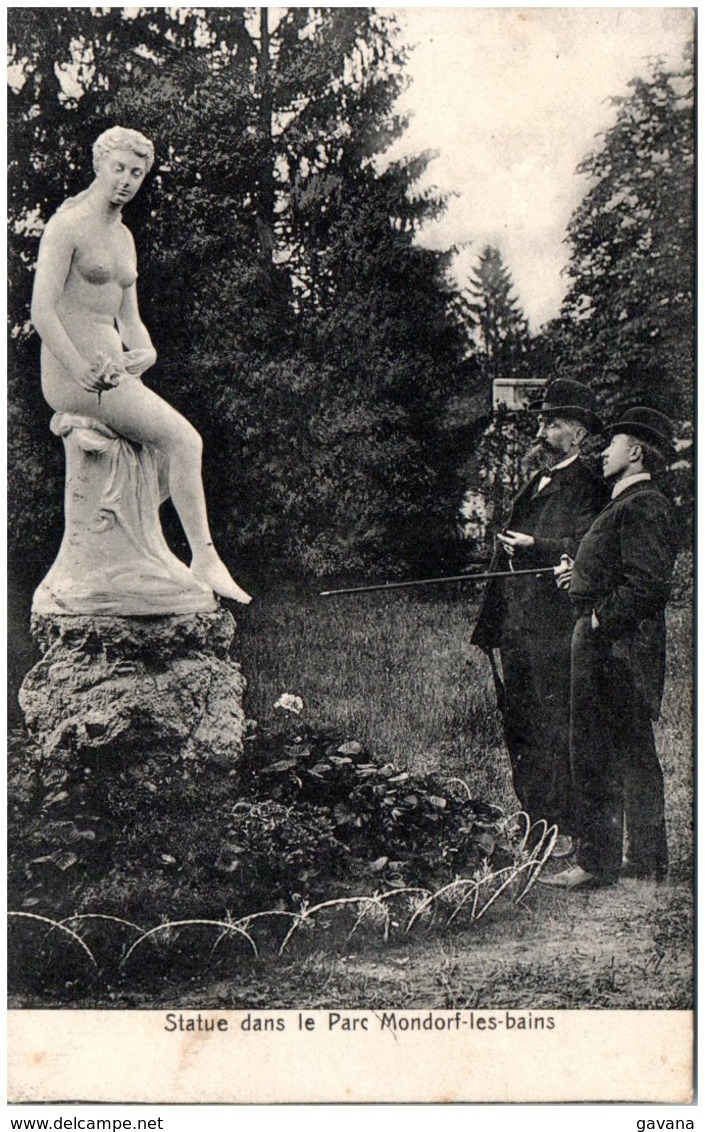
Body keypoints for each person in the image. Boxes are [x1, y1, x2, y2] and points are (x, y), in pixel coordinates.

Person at [30, 125, 251, 604]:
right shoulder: (67, 226)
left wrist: (145, 351)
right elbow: (41, 311)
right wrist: (78, 367)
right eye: (119, 169)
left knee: (168, 450)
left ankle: (127, 547)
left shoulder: (124, 237)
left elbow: (130, 319)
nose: (126, 180)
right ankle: (205, 558)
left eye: (137, 172)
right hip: (72, 374)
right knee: (184, 442)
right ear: (98, 166)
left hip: (113, 371)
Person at [541, 407, 678, 890]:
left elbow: (647, 584)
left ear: (636, 451)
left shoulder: (644, 503)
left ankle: (601, 863)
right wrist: (576, 575)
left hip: (613, 646)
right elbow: (618, 570)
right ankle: (642, 861)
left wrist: (599, 618)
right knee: (627, 750)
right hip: (609, 642)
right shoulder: (628, 500)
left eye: (613, 443)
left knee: (602, 750)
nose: (601, 452)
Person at [471, 380, 607, 850]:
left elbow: (590, 549)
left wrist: (536, 547)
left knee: (555, 724)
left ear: (579, 435)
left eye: (553, 423)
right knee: (520, 722)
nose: (542, 430)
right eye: (542, 421)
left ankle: (564, 828)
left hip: (553, 624)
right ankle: (534, 821)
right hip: (516, 622)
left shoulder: (592, 487)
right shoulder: (535, 480)